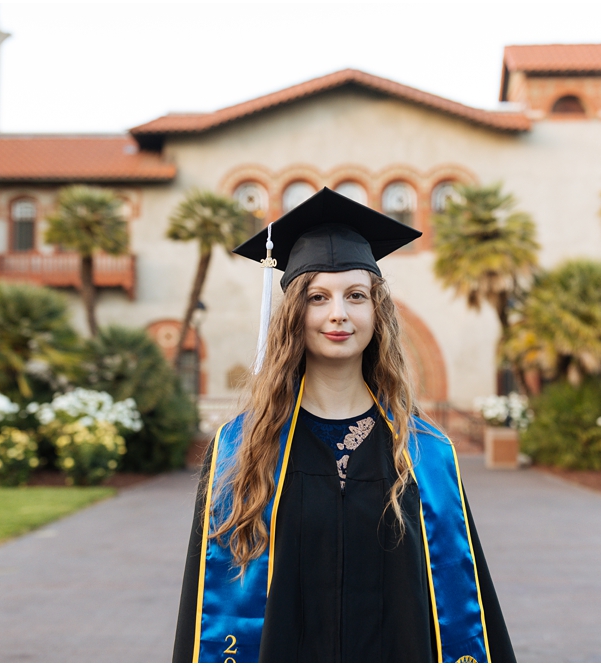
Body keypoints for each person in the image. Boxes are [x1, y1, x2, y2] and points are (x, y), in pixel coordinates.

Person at [173, 188, 515, 663]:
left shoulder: (424, 452)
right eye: (318, 297)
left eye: (356, 295)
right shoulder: (242, 449)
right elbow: (207, 606)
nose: (339, 313)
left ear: (377, 312)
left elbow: (458, 601)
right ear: (294, 313)